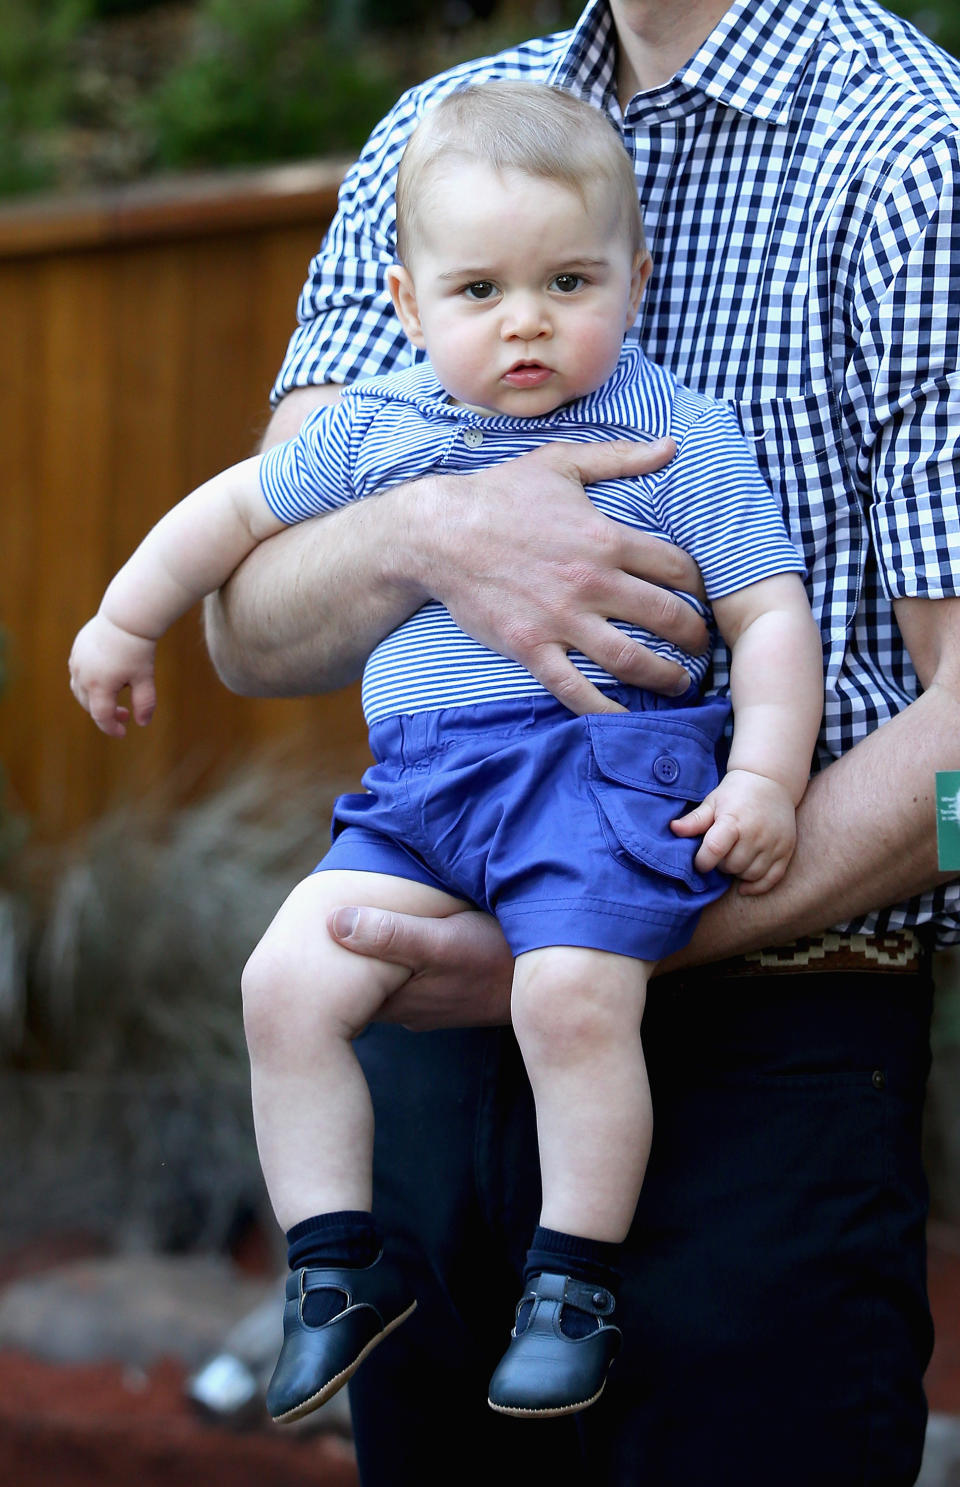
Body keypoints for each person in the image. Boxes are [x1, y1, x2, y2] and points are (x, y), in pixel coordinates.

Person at [202, 1, 960, 1483]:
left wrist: (624, 933)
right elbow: (251, 629)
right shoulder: (442, 134)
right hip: (428, 1024)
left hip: (771, 1064)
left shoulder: (919, 153)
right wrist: (430, 524)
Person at [69, 79, 822, 1424]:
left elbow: (768, 614)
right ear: (410, 308)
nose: (525, 320)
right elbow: (227, 515)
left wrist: (764, 774)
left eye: (567, 280)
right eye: (479, 291)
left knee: (569, 998)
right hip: (425, 795)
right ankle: (332, 1266)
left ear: (635, 280)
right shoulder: (383, 426)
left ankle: (572, 1278)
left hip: (596, 784)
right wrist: (128, 620)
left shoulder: (673, 430)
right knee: (287, 981)